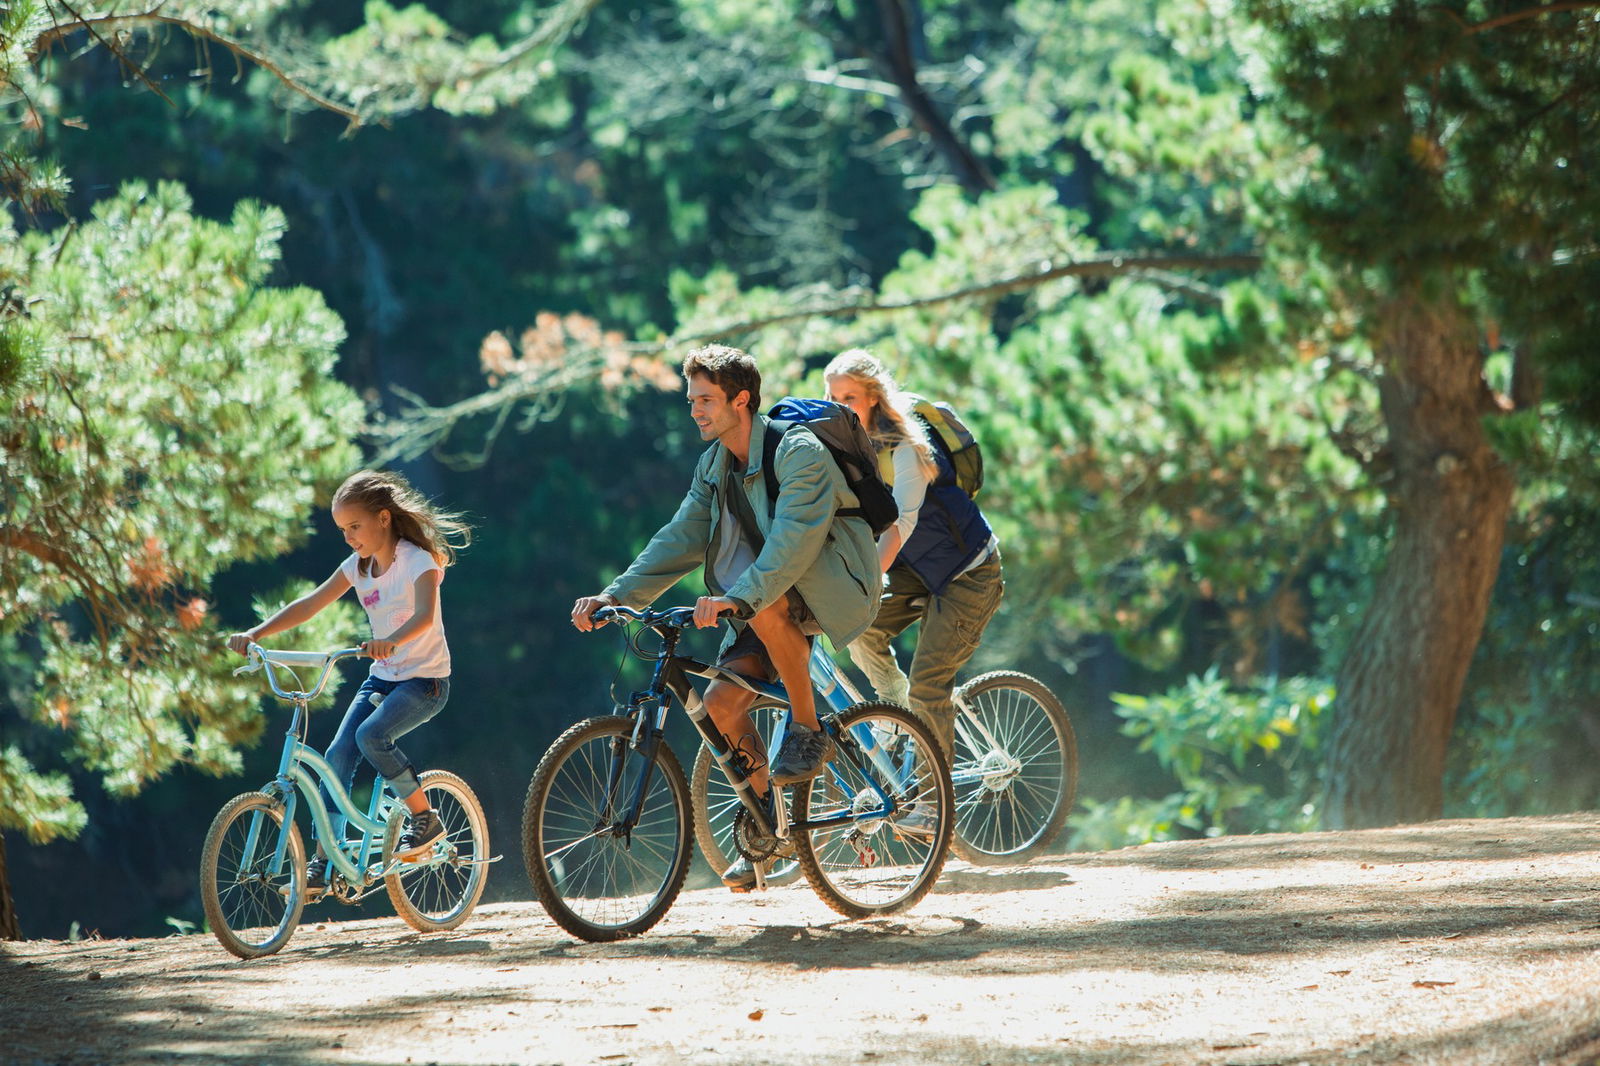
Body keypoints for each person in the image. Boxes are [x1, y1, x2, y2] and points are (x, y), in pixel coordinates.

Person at [571, 344, 880, 890]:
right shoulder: (715, 463)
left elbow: (793, 542)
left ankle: (807, 730)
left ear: (742, 400)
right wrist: (615, 595)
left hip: (832, 581)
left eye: (706, 399)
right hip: (762, 596)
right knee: (720, 706)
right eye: (691, 399)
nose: (695, 410)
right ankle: (768, 828)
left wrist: (741, 598)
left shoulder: (798, 451)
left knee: (766, 610)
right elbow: (681, 538)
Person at [227, 470, 471, 897]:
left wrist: (390, 641)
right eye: (342, 530)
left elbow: (425, 617)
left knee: (370, 735)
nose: (348, 537)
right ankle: (327, 858)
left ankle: (425, 819)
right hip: (382, 676)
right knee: (338, 754)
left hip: (425, 681)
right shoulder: (357, 567)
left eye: (354, 527)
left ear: (383, 518)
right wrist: (256, 634)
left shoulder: (418, 561)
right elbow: (311, 603)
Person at [824, 349, 1004, 761]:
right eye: (833, 398)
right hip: (917, 568)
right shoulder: (846, 447)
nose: (839, 408)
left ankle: (934, 804)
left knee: (928, 686)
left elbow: (900, 524)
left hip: (969, 571)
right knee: (857, 625)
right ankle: (897, 712)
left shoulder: (906, 444)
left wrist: (864, 583)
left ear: (872, 397)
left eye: (848, 398)